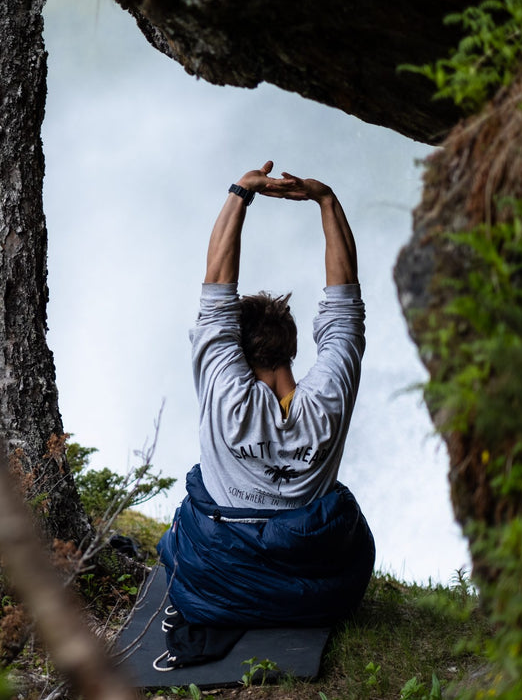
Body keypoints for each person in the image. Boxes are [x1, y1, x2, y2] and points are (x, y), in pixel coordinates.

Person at [154, 161, 375, 670]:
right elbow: (345, 301)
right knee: (340, 513)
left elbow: (216, 288)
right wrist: (326, 200)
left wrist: (240, 192)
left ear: (231, 348)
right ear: (294, 345)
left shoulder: (225, 393)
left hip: (219, 578)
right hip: (318, 589)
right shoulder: (329, 397)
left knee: (196, 510)